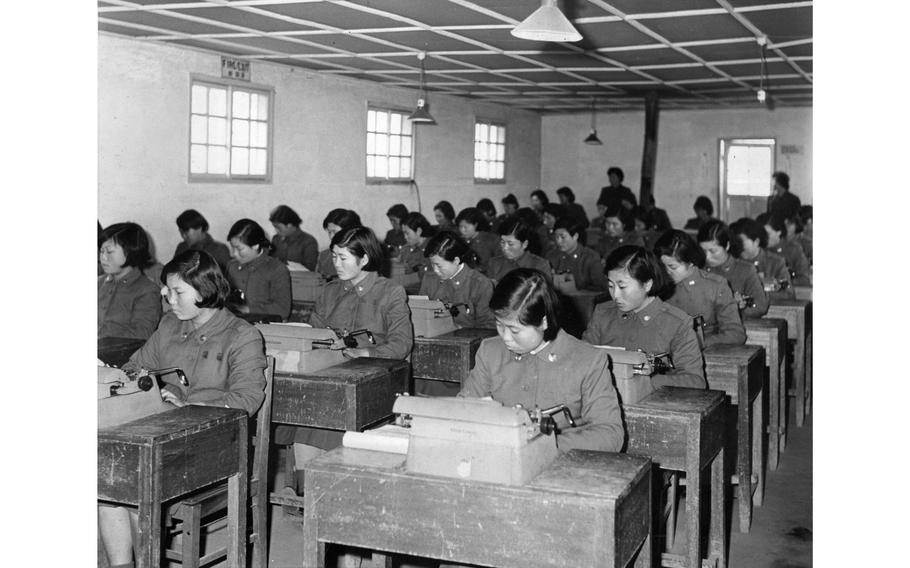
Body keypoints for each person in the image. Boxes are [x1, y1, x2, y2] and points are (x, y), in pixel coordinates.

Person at [99, 250, 267, 568]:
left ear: (204, 291)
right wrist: (127, 379)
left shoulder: (242, 336)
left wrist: (188, 404)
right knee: (110, 481)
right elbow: (137, 365)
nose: (168, 298)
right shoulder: (169, 326)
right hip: (164, 438)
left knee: (132, 479)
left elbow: (247, 400)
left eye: (177, 292)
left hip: (215, 447)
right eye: (167, 289)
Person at [278, 226, 413, 493]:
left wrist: (366, 352)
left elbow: (401, 343)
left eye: (343, 258)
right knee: (308, 411)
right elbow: (315, 332)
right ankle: (309, 490)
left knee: (324, 412)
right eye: (334, 256)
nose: (335, 264)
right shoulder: (330, 291)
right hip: (334, 375)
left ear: (364, 259)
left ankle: (318, 490)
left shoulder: (390, 292)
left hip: (376, 379)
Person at [459, 268, 624, 453]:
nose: (505, 337)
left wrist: (544, 443)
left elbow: (611, 435)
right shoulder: (490, 352)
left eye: (514, 330)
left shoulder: (587, 361)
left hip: (561, 466)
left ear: (543, 322)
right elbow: (462, 411)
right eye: (499, 325)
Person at [582, 246, 706, 392]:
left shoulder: (677, 324)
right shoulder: (603, 314)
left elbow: (695, 381)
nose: (615, 295)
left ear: (647, 284)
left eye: (622, 286)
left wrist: (647, 381)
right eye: (610, 285)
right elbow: (582, 361)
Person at [653, 230, 746, 348]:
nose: (667, 272)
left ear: (690, 262)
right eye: (662, 266)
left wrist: (698, 343)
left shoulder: (716, 286)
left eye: (673, 267)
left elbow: (736, 334)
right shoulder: (658, 285)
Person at [98, 222, 162, 340]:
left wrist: (100, 333)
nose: (103, 258)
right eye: (101, 251)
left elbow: (142, 334)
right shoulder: (98, 283)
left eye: (109, 252)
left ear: (131, 251)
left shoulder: (147, 290)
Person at [419, 231, 495, 330]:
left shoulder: (480, 284)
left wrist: (456, 329)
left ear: (456, 261)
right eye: (432, 264)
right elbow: (420, 315)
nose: (435, 270)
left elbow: (488, 327)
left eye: (439, 265)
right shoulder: (429, 279)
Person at [697, 220, 769, 319]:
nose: (707, 257)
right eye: (703, 251)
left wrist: (735, 310)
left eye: (712, 251)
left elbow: (760, 306)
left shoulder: (745, 270)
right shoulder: (699, 272)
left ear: (727, 245)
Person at [226, 218, 291, 319]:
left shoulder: (276, 269)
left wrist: (247, 309)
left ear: (256, 245)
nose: (234, 254)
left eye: (239, 249)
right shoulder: (232, 267)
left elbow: (283, 310)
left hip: (266, 327)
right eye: (232, 248)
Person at [730, 217, 792, 296]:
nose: (738, 245)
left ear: (756, 241)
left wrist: (759, 296)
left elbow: (787, 293)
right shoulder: (732, 262)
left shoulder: (776, 262)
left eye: (741, 241)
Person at [546, 217, 608, 292]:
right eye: (556, 237)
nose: (558, 241)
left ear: (575, 236)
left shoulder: (590, 257)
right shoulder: (551, 256)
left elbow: (601, 287)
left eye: (563, 237)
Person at [486, 217, 551, 284]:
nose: (505, 248)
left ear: (524, 244)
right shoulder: (494, 263)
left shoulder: (540, 265)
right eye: (502, 242)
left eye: (510, 244)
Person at [758, 212, 811, 286]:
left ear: (779, 232)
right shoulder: (756, 250)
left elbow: (804, 279)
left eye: (767, 234)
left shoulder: (793, 250)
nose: (763, 238)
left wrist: (774, 284)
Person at [316, 208, 362, 281]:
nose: (331, 237)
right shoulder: (324, 256)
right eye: (329, 232)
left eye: (335, 232)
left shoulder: (363, 255)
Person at [269, 204, 318, 271]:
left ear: (290, 225)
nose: (276, 231)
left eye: (278, 227)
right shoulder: (276, 239)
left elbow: (310, 269)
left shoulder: (308, 241)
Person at [398, 212, 435, 293]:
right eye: (403, 233)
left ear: (418, 231)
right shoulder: (409, 249)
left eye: (407, 233)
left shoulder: (434, 248)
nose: (405, 237)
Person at [455, 207, 500, 274]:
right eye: (460, 227)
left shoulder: (490, 239)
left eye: (465, 227)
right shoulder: (460, 241)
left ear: (475, 224)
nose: (462, 230)